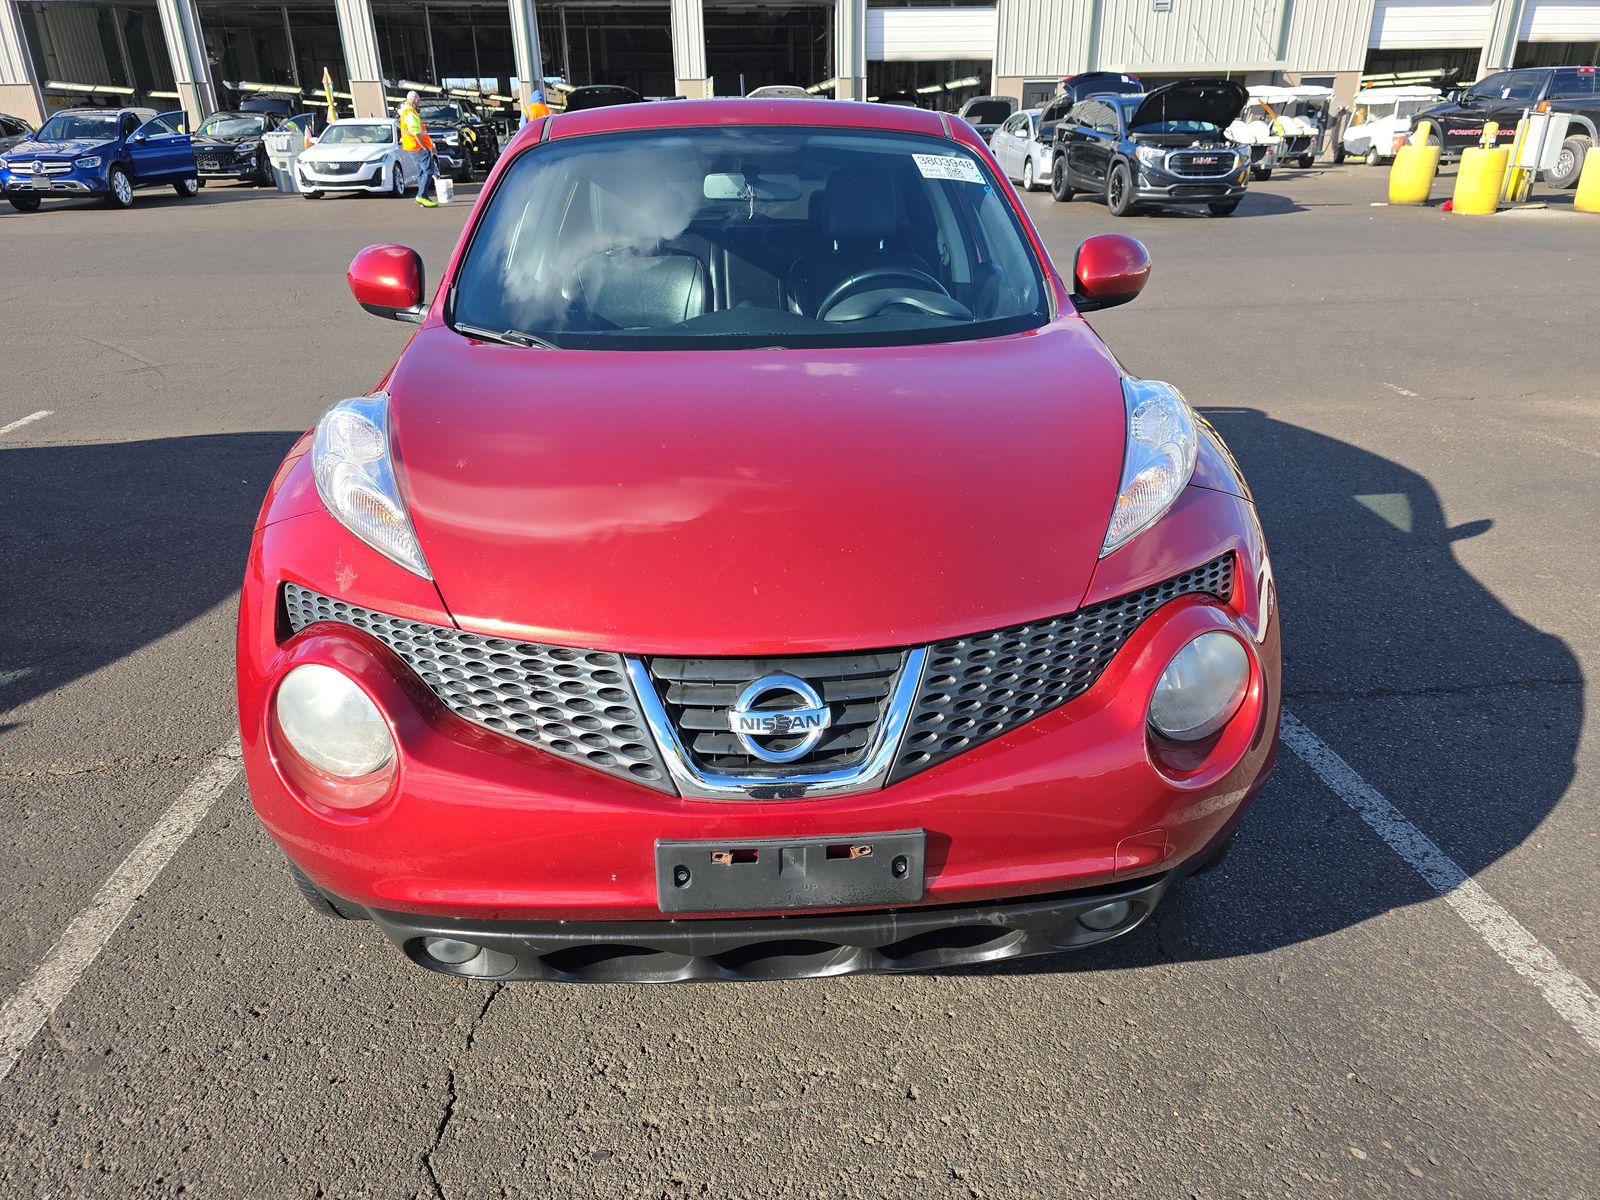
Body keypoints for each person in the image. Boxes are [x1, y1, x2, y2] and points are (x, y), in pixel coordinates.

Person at [398, 91, 438, 208]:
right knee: (428, 170)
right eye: (418, 101)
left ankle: (421, 196)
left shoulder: (406, 113)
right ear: (415, 100)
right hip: (418, 147)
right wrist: (425, 147)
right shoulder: (410, 114)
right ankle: (422, 196)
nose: (419, 103)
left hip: (413, 147)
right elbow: (416, 133)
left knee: (422, 172)